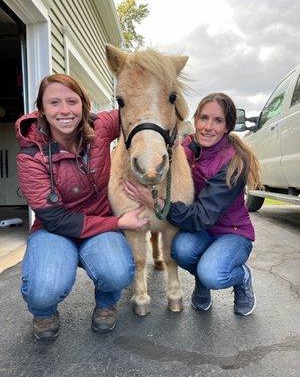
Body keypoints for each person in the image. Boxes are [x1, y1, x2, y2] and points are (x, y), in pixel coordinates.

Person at [15, 74, 149, 341]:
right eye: (54, 103)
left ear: (84, 105)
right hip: (54, 230)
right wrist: (118, 223)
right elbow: (55, 220)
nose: (64, 110)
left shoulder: (99, 128)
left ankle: (106, 305)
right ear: (41, 109)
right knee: (44, 287)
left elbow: (133, 107)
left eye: (72, 101)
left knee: (118, 270)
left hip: (98, 227)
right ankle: (44, 313)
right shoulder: (30, 155)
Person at [123, 92, 261, 316]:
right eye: (204, 118)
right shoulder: (185, 149)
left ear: (227, 127)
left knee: (214, 273)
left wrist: (156, 203)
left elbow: (202, 215)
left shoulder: (234, 162)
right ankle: (203, 278)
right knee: (180, 249)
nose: (208, 126)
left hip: (231, 233)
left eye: (218, 121)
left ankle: (240, 277)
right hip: (201, 232)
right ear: (195, 120)